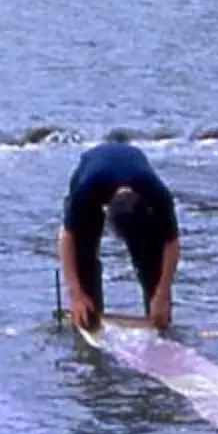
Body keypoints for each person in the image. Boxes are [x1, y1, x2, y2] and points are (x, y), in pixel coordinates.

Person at [56, 138, 180, 333]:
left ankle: (159, 319)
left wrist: (162, 294)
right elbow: (66, 237)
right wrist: (76, 294)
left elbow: (171, 243)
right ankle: (87, 315)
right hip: (93, 169)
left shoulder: (157, 195)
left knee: (151, 263)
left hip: (134, 168)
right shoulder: (87, 190)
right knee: (84, 259)